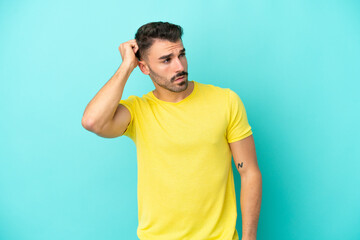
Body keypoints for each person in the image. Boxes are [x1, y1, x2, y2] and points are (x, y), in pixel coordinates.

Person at [81, 21, 262, 240]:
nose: (179, 66)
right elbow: (92, 121)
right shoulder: (137, 111)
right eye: (166, 60)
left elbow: (249, 172)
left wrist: (249, 238)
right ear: (144, 67)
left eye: (181, 55)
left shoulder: (226, 101)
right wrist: (126, 66)